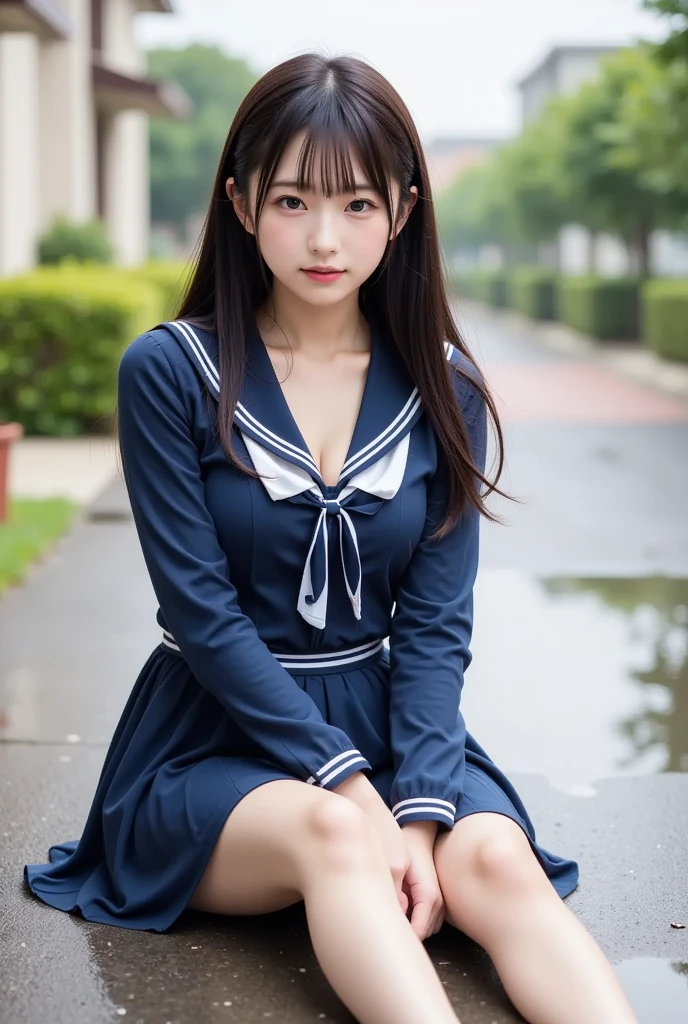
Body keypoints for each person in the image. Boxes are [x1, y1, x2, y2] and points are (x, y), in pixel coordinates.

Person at [25, 53, 639, 1024]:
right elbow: (203, 614)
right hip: (210, 732)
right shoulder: (172, 371)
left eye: (356, 204)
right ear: (238, 203)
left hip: (388, 719)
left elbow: (437, 626)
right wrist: (354, 791)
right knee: (333, 834)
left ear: (401, 212)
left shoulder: (445, 385)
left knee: (492, 857)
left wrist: (425, 804)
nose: (323, 238)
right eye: (291, 201)